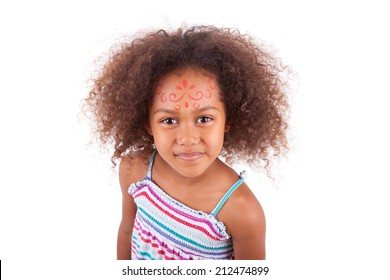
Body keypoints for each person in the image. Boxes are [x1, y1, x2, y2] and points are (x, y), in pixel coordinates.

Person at [84, 25, 289, 260]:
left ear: (228, 120)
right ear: (147, 123)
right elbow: (127, 231)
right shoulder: (135, 171)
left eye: (204, 118)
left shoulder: (242, 211)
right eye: (169, 120)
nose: (188, 138)